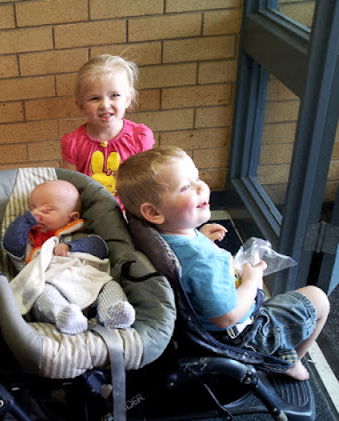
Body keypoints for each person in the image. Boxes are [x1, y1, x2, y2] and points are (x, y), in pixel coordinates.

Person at [116, 146, 328, 380]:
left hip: (198, 327)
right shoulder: (206, 261)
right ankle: (287, 362)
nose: (201, 187)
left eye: (197, 178)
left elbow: (185, 262)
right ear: (153, 212)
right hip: (239, 338)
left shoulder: (155, 236)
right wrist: (252, 282)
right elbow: (226, 317)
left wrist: (199, 236)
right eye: (186, 187)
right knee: (317, 298)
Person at [2, 179, 135, 335]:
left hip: (87, 284)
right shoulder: (29, 243)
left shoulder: (77, 236)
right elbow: (10, 244)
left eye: (47, 210)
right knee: (41, 291)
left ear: (71, 218)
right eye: (32, 209)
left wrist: (72, 246)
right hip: (51, 286)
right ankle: (64, 315)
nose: (37, 214)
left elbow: (100, 248)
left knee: (109, 284)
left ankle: (112, 312)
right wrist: (26, 219)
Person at [60, 54, 155, 199]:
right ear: (81, 105)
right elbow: (70, 189)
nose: (105, 105)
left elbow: (147, 183)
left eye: (114, 95)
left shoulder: (139, 137)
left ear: (127, 99)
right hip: (91, 208)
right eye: (95, 98)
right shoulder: (74, 143)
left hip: (130, 207)